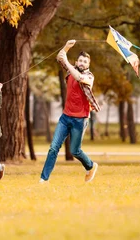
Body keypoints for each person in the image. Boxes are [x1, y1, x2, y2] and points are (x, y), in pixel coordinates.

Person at [40, 40, 101, 183]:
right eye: (80, 60)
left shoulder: (90, 77)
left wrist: (67, 63)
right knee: (53, 148)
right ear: (76, 61)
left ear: (88, 65)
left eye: (85, 62)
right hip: (65, 117)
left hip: (80, 120)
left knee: (75, 151)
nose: (82, 63)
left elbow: (79, 77)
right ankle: (44, 179)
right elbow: (60, 57)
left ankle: (91, 166)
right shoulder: (70, 70)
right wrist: (67, 47)